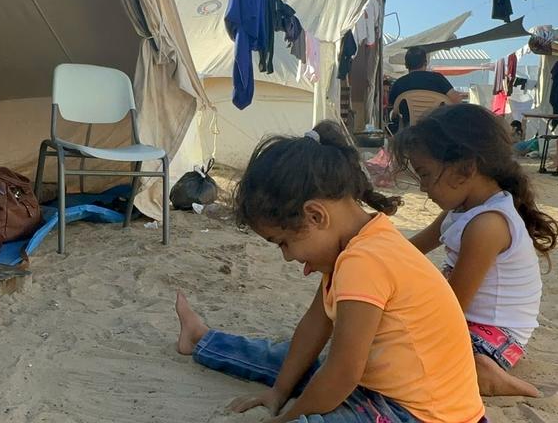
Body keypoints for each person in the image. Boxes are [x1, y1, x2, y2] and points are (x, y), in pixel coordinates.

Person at [173, 122, 485, 423]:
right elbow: (314, 325)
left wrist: (286, 419)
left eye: (283, 242)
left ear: (315, 215)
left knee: (319, 384)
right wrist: (279, 392)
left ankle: (206, 341)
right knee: (289, 359)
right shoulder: (359, 243)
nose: (287, 256)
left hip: (421, 414)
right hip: (381, 389)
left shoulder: (364, 261)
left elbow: (343, 373)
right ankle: (203, 339)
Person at [392, 103, 558, 398]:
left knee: (394, 357)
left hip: (494, 338)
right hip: (467, 323)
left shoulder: (488, 225)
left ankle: (485, 375)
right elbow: (408, 252)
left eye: (425, 174)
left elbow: (452, 305)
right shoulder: (460, 210)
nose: (422, 188)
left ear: (465, 169)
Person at [387, 48, 466, 132]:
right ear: (426, 63)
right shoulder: (437, 78)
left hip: (408, 133)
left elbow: (392, 107)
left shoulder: (399, 83)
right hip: (436, 131)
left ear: (406, 65)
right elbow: (456, 100)